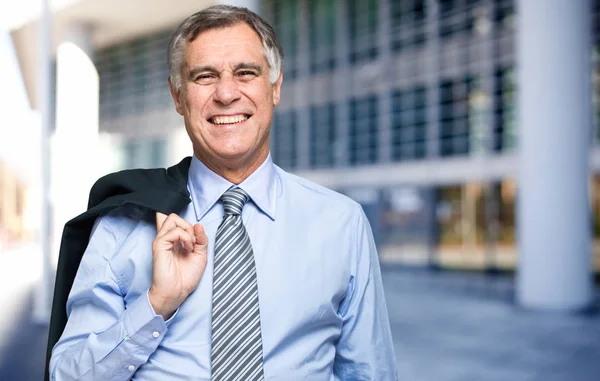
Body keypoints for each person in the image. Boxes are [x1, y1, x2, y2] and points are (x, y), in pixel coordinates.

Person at [48, 5, 398, 380]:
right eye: (205, 76)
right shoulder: (122, 224)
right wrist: (156, 305)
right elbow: (67, 376)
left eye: (246, 73)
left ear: (275, 87)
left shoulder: (341, 223)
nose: (227, 93)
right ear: (178, 96)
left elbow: (369, 372)